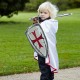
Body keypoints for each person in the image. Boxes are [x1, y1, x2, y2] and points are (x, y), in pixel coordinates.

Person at [33, 1, 59, 80]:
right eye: (41, 12)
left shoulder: (49, 24)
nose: (42, 14)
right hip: (42, 50)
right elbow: (37, 32)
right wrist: (37, 22)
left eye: (45, 12)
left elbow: (42, 30)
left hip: (46, 51)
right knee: (47, 71)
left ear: (50, 14)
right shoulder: (48, 23)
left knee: (45, 72)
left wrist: (37, 23)